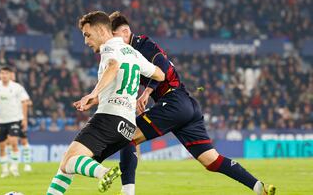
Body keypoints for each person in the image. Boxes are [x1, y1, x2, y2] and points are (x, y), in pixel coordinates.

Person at [109, 11, 276, 195]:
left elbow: (162, 67)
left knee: (127, 135)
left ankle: (127, 193)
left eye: (113, 36)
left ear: (125, 31)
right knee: (212, 161)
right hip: (186, 105)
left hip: (173, 102)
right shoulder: (128, 53)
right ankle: (259, 187)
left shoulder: (142, 44)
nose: (111, 42)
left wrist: (146, 92)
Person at [46, 11, 165, 195]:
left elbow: (113, 66)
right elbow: (160, 74)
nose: (86, 41)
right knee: (69, 165)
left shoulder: (108, 47)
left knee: (67, 161)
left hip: (109, 118)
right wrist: (144, 92)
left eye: (87, 35)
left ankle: (105, 173)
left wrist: (92, 93)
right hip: (127, 127)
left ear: (102, 30)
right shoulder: (132, 52)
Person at [0, 66, 30, 178]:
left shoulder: (17, 87)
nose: (3, 75)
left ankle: (14, 168)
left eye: (6, 73)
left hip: (14, 119)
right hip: (0, 120)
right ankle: (4, 170)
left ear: (10, 75)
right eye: (1, 73)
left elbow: (25, 102)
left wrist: (24, 119)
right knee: (1, 146)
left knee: (13, 142)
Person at [5, 71, 32, 172]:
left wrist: (24, 119)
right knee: (10, 141)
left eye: (12, 75)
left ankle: (27, 164)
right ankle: (13, 164)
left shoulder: (19, 88)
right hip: (8, 119)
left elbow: (28, 101)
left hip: (19, 118)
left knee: (23, 141)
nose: (11, 77)